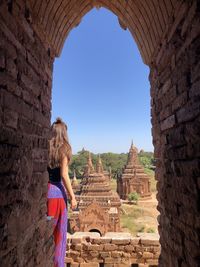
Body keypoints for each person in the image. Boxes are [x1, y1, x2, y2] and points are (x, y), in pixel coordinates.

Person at [47, 117, 77, 267]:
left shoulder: (46, 147)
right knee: (59, 232)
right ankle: (58, 263)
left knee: (47, 232)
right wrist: (72, 197)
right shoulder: (65, 148)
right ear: (64, 133)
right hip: (58, 193)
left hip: (46, 192)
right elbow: (64, 174)